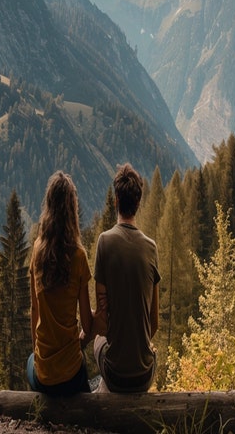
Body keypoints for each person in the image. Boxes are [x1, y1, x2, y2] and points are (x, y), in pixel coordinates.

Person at [92, 163, 160, 392]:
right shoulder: (151, 248)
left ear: (115, 201)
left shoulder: (104, 242)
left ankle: (104, 391)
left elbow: (102, 322)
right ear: (138, 204)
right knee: (150, 349)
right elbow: (154, 322)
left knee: (98, 342)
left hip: (115, 375)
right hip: (144, 376)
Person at [27, 171, 93, 395]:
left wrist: (40, 355)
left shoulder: (37, 252)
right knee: (84, 372)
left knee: (29, 362)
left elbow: (34, 309)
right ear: (72, 210)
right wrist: (79, 341)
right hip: (72, 373)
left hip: (44, 375)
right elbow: (87, 323)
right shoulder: (79, 257)